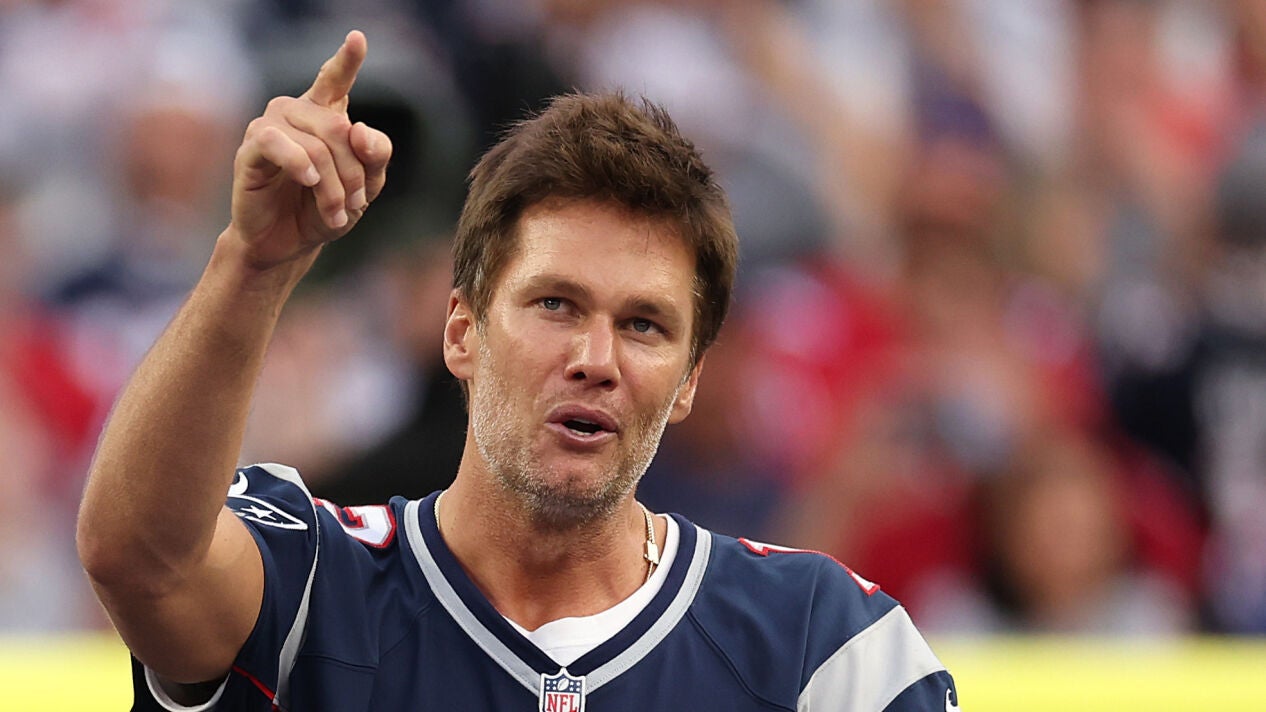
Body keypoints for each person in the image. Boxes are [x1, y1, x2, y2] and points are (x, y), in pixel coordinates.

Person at [77, 31, 958, 711]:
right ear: (461, 332)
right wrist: (253, 264)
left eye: (644, 325)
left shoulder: (822, 644)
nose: (595, 360)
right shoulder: (313, 582)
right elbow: (139, 561)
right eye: (556, 305)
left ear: (690, 378)